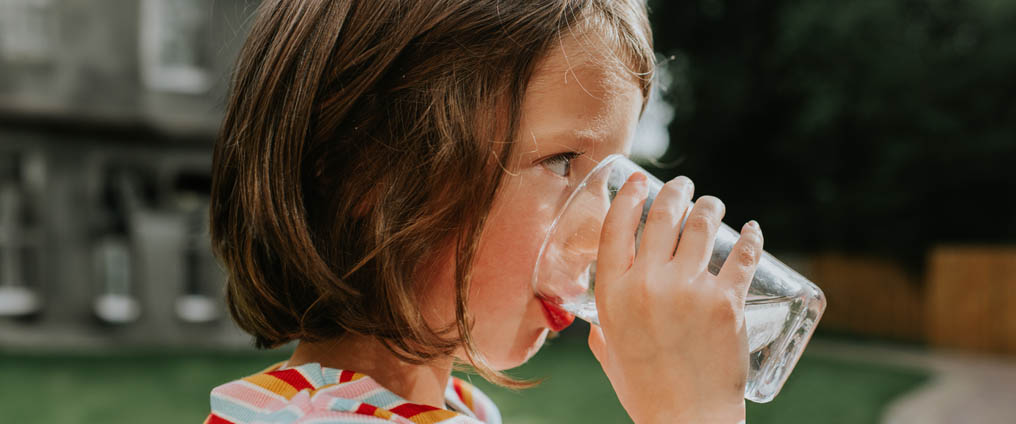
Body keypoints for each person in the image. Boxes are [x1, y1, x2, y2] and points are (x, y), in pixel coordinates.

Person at [205, 0, 763, 423]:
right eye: (563, 162)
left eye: (612, 176)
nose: (600, 233)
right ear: (366, 171)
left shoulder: (452, 406)